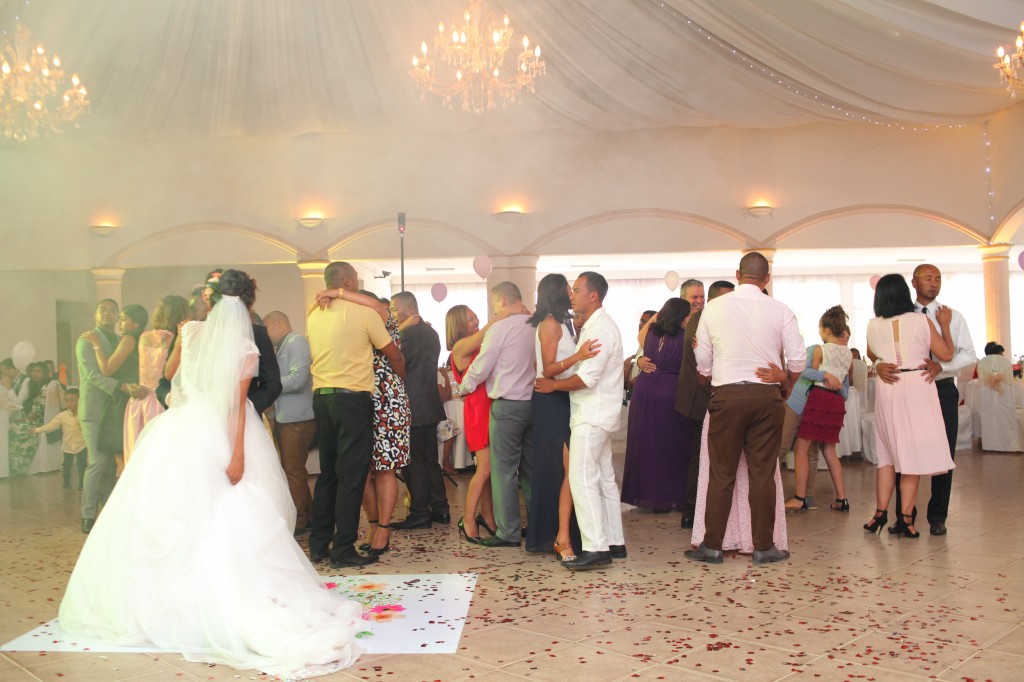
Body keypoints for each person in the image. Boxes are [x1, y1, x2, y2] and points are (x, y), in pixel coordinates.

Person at [58, 269, 363, 679]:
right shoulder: (244, 346)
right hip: (219, 430)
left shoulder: (191, 333)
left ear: (212, 300)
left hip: (180, 429)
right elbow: (236, 407)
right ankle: (218, 599)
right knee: (228, 514)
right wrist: (237, 455)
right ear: (248, 304)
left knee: (173, 512)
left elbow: (169, 378)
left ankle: (166, 603)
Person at [686, 252, 804, 566]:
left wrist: (718, 377)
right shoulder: (781, 310)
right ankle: (764, 547)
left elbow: (703, 361)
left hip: (726, 396)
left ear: (737, 274)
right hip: (767, 398)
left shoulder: (713, 308)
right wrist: (785, 383)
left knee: (721, 473)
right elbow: (797, 360)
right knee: (763, 473)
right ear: (766, 278)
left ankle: (712, 546)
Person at [307, 262, 404, 568]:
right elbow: (393, 353)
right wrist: (401, 376)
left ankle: (319, 544)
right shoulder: (364, 314)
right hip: (352, 399)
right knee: (351, 476)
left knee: (328, 475)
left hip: (321, 398)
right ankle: (343, 549)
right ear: (349, 281)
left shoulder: (314, 313)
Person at [536, 272, 625, 571]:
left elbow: (587, 379)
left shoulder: (598, 329)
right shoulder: (595, 325)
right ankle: (615, 541)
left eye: (577, 290)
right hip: (599, 413)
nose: (571, 295)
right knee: (603, 479)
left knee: (582, 478)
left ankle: (596, 547)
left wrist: (553, 386)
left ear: (593, 295)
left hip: (591, 414)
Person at [884, 264, 975, 536]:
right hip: (910, 390)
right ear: (913, 282)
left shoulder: (952, 316)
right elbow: (884, 348)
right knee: (905, 452)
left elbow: (968, 354)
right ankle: (904, 516)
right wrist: (878, 363)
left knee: (944, 452)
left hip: (942, 388)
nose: (933, 283)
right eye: (927, 278)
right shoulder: (900, 315)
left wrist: (942, 368)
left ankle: (937, 516)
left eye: (937, 278)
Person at [864, 274, 954, 538]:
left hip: (887, 385)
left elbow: (870, 354)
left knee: (887, 454)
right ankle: (906, 519)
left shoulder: (872, 324)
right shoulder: (920, 320)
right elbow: (947, 354)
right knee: (911, 455)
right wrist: (944, 325)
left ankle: (879, 515)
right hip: (916, 383)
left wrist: (880, 363)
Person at [457, 282, 537, 548]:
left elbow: (482, 365)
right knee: (529, 471)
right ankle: (538, 526)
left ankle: (508, 532)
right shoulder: (537, 325)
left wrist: (463, 387)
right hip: (533, 404)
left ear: (501, 300)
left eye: (494, 304)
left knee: (503, 472)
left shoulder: (501, 328)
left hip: (507, 406)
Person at [527, 274, 596, 560]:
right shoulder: (550, 324)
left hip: (559, 398)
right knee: (560, 469)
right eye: (568, 288)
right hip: (550, 401)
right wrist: (578, 356)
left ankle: (561, 533)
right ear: (557, 291)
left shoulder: (562, 323)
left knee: (564, 469)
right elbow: (548, 369)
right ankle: (556, 536)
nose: (571, 293)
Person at [621, 297, 692, 511]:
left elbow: (640, 340)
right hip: (669, 392)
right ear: (680, 316)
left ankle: (648, 495)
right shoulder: (685, 337)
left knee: (645, 444)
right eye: (687, 315)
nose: (689, 319)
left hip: (644, 391)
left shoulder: (650, 333)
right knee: (673, 446)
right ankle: (673, 495)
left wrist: (641, 362)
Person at [674, 280, 733, 529]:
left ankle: (696, 509)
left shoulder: (702, 318)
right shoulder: (707, 319)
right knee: (702, 457)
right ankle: (694, 510)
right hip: (701, 397)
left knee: (701, 456)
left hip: (697, 396)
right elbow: (704, 365)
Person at [389, 291, 449, 530]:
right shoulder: (431, 332)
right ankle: (441, 508)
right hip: (429, 402)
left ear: (408, 307)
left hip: (411, 404)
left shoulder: (405, 334)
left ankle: (420, 512)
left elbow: (395, 362)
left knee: (413, 462)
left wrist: (398, 330)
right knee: (431, 460)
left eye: (395, 308)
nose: (393, 314)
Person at [785, 306, 852, 513]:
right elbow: (845, 388)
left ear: (827, 330)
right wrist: (836, 385)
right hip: (837, 402)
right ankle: (842, 499)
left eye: (820, 329)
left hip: (819, 398)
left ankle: (799, 497)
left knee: (801, 448)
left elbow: (806, 371)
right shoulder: (849, 354)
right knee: (830, 451)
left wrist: (824, 377)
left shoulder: (820, 349)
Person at [445, 304, 497, 542]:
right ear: (458, 325)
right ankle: (467, 519)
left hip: (486, 407)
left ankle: (487, 517)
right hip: (477, 410)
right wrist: (505, 314)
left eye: (476, 316)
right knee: (485, 468)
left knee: (486, 470)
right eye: (470, 319)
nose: (476, 321)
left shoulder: (472, 344)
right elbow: (485, 333)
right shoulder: (460, 346)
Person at [263, 310, 317, 536]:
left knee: (294, 471)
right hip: (288, 417)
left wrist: (270, 384)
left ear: (277, 323)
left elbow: (298, 379)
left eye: (266, 329)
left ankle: (300, 520)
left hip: (298, 418)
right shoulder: (283, 346)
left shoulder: (297, 343)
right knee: (294, 470)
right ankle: (309, 514)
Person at [82, 303, 148, 473]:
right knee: (126, 450)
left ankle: (124, 492)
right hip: (132, 399)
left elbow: (106, 370)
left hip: (120, 400)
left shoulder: (127, 339)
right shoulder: (143, 338)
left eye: (123, 319)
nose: (119, 322)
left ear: (136, 324)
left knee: (119, 454)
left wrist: (96, 344)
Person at [124, 296, 190, 462]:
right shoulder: (177, 340)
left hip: (139, 401)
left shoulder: (144, 337)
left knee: (138, 455)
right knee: (163, 457)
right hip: (162, 399)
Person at [33, 387, 86, 490]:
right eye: (66, 401)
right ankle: (66, 483)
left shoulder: (84, 414)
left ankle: (82, 486)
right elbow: (51, 425)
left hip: (82, 445)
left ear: (80, 400)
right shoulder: (63, 415)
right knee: (66, 466)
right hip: (67, 446)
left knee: (82, 466)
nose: (69, 403)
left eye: (72, 400)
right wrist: (37, 430)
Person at [7, 362, 47, 476]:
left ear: (44, 373)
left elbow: (38, 411)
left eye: (39, 371)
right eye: (33, 371)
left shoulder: (44, 388)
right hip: (31, 418)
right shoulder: (33, 386)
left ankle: (18, 466)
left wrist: (23, 421)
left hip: (38, 422)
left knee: (15, 428)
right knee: (11, 426)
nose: (35, 374)